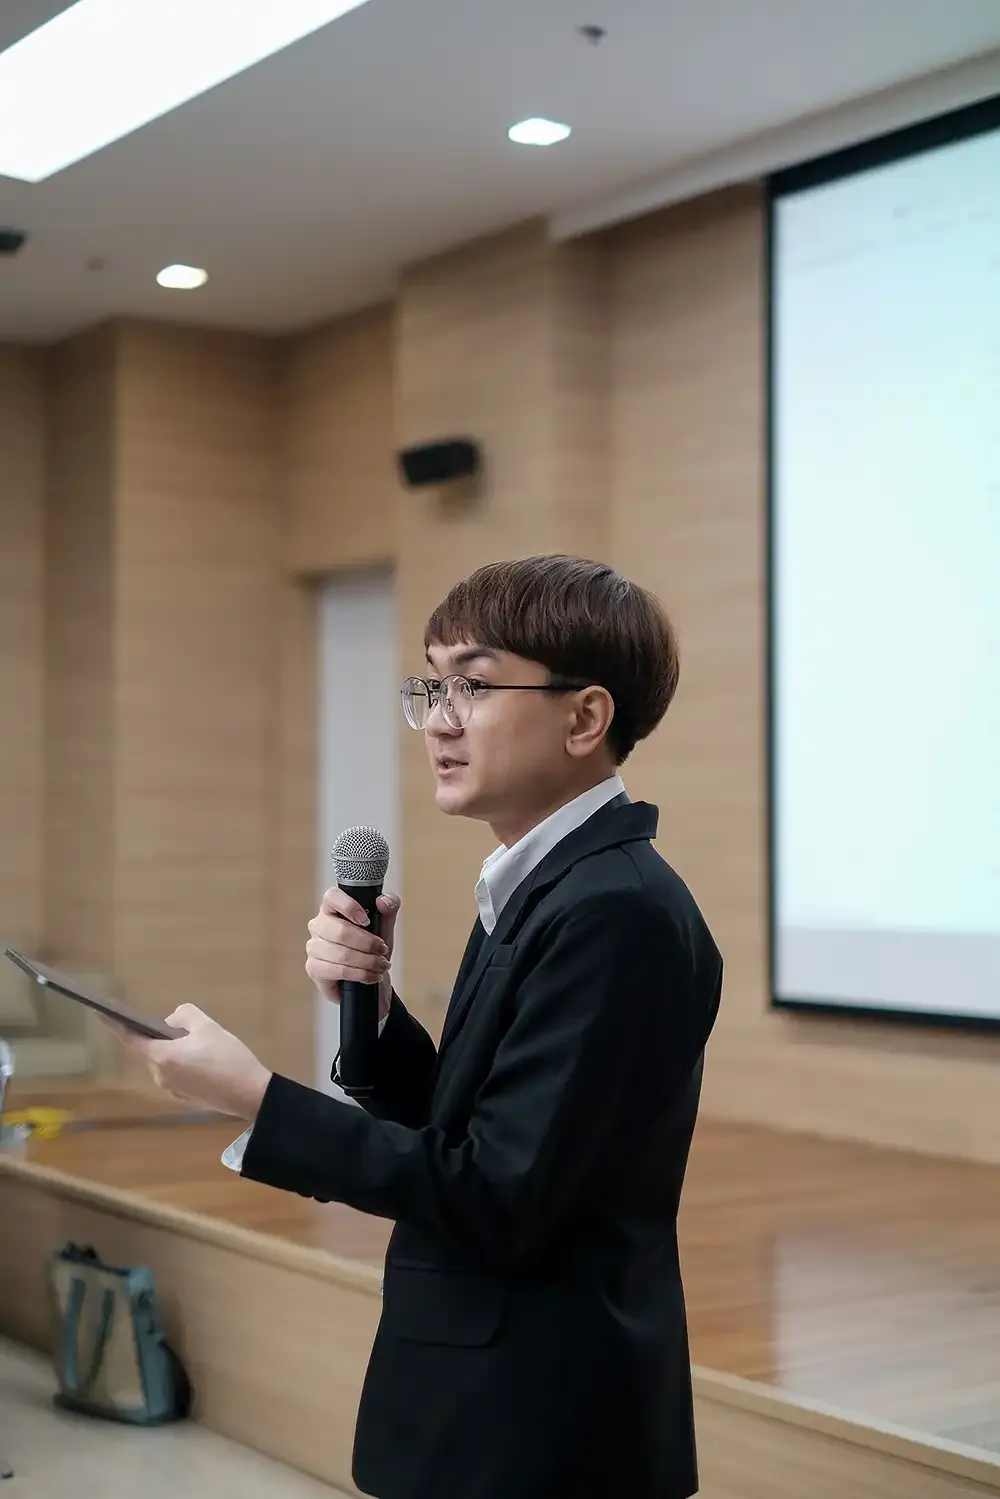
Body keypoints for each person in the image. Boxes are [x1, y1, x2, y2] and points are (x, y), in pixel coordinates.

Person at [116, 554, 723, 1499]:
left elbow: (498, 1195)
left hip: (541, 1420)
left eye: (473, 686)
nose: (439, 719)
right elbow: (472, 1128)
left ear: (584, 718)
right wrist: (375, 1007)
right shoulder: (544, 884)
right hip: (493, 1395)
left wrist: (257, 1099)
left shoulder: (616, 910)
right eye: (431, 686)